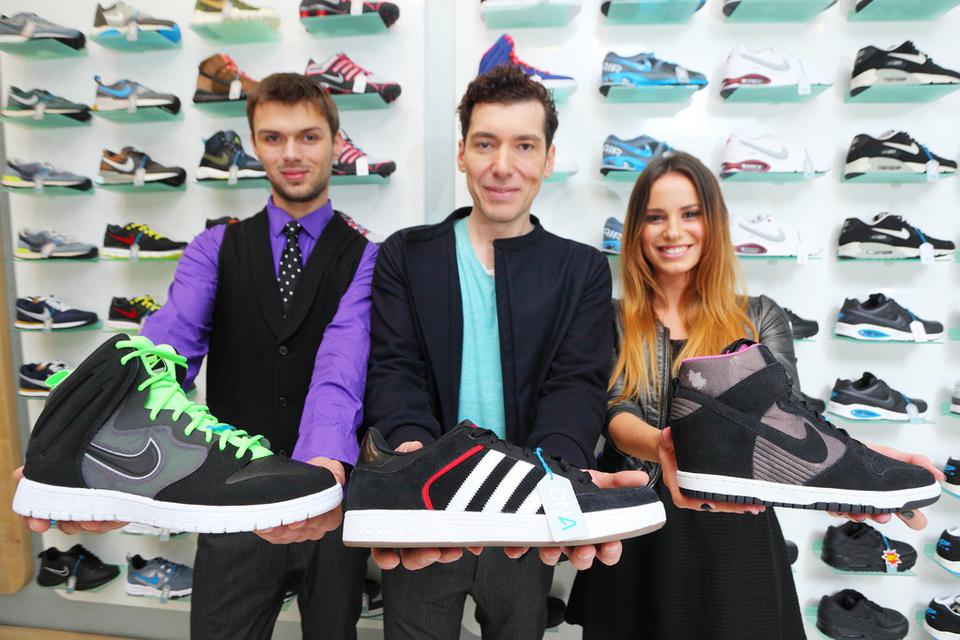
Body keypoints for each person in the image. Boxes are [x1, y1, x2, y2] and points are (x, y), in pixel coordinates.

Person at [15, 72, 374, 640]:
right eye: (274, 137)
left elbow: (342, 364)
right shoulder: (215, 247)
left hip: (328, 495)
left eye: (308, 137)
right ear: (254, 144)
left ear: (335, 141)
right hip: (227, 493)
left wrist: (320, 466)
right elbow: (170, 343)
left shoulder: (368, 256)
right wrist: (109, 425)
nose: (291, 153)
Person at [565, 151, 944, 639]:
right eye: (655, 217)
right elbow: (616, 411)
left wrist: (861, 466)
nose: (673, 231)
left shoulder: (759, 315)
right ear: (636, 229)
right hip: (639, 530)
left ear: (715, 222)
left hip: (737, 535)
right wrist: (668, 448)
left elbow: (793, 422)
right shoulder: (611, 316)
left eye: (690, 213)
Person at [361, 64, 645, 640]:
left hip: (527, 510)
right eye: (486, 143)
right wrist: (413, 454)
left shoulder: (582, 270)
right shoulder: (406, 256)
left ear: (548, 158)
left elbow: (575, 385)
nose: (503, 165)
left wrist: (552, 473)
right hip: (430, 504)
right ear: (462, 152)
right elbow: (395, 369)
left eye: (524, 146)